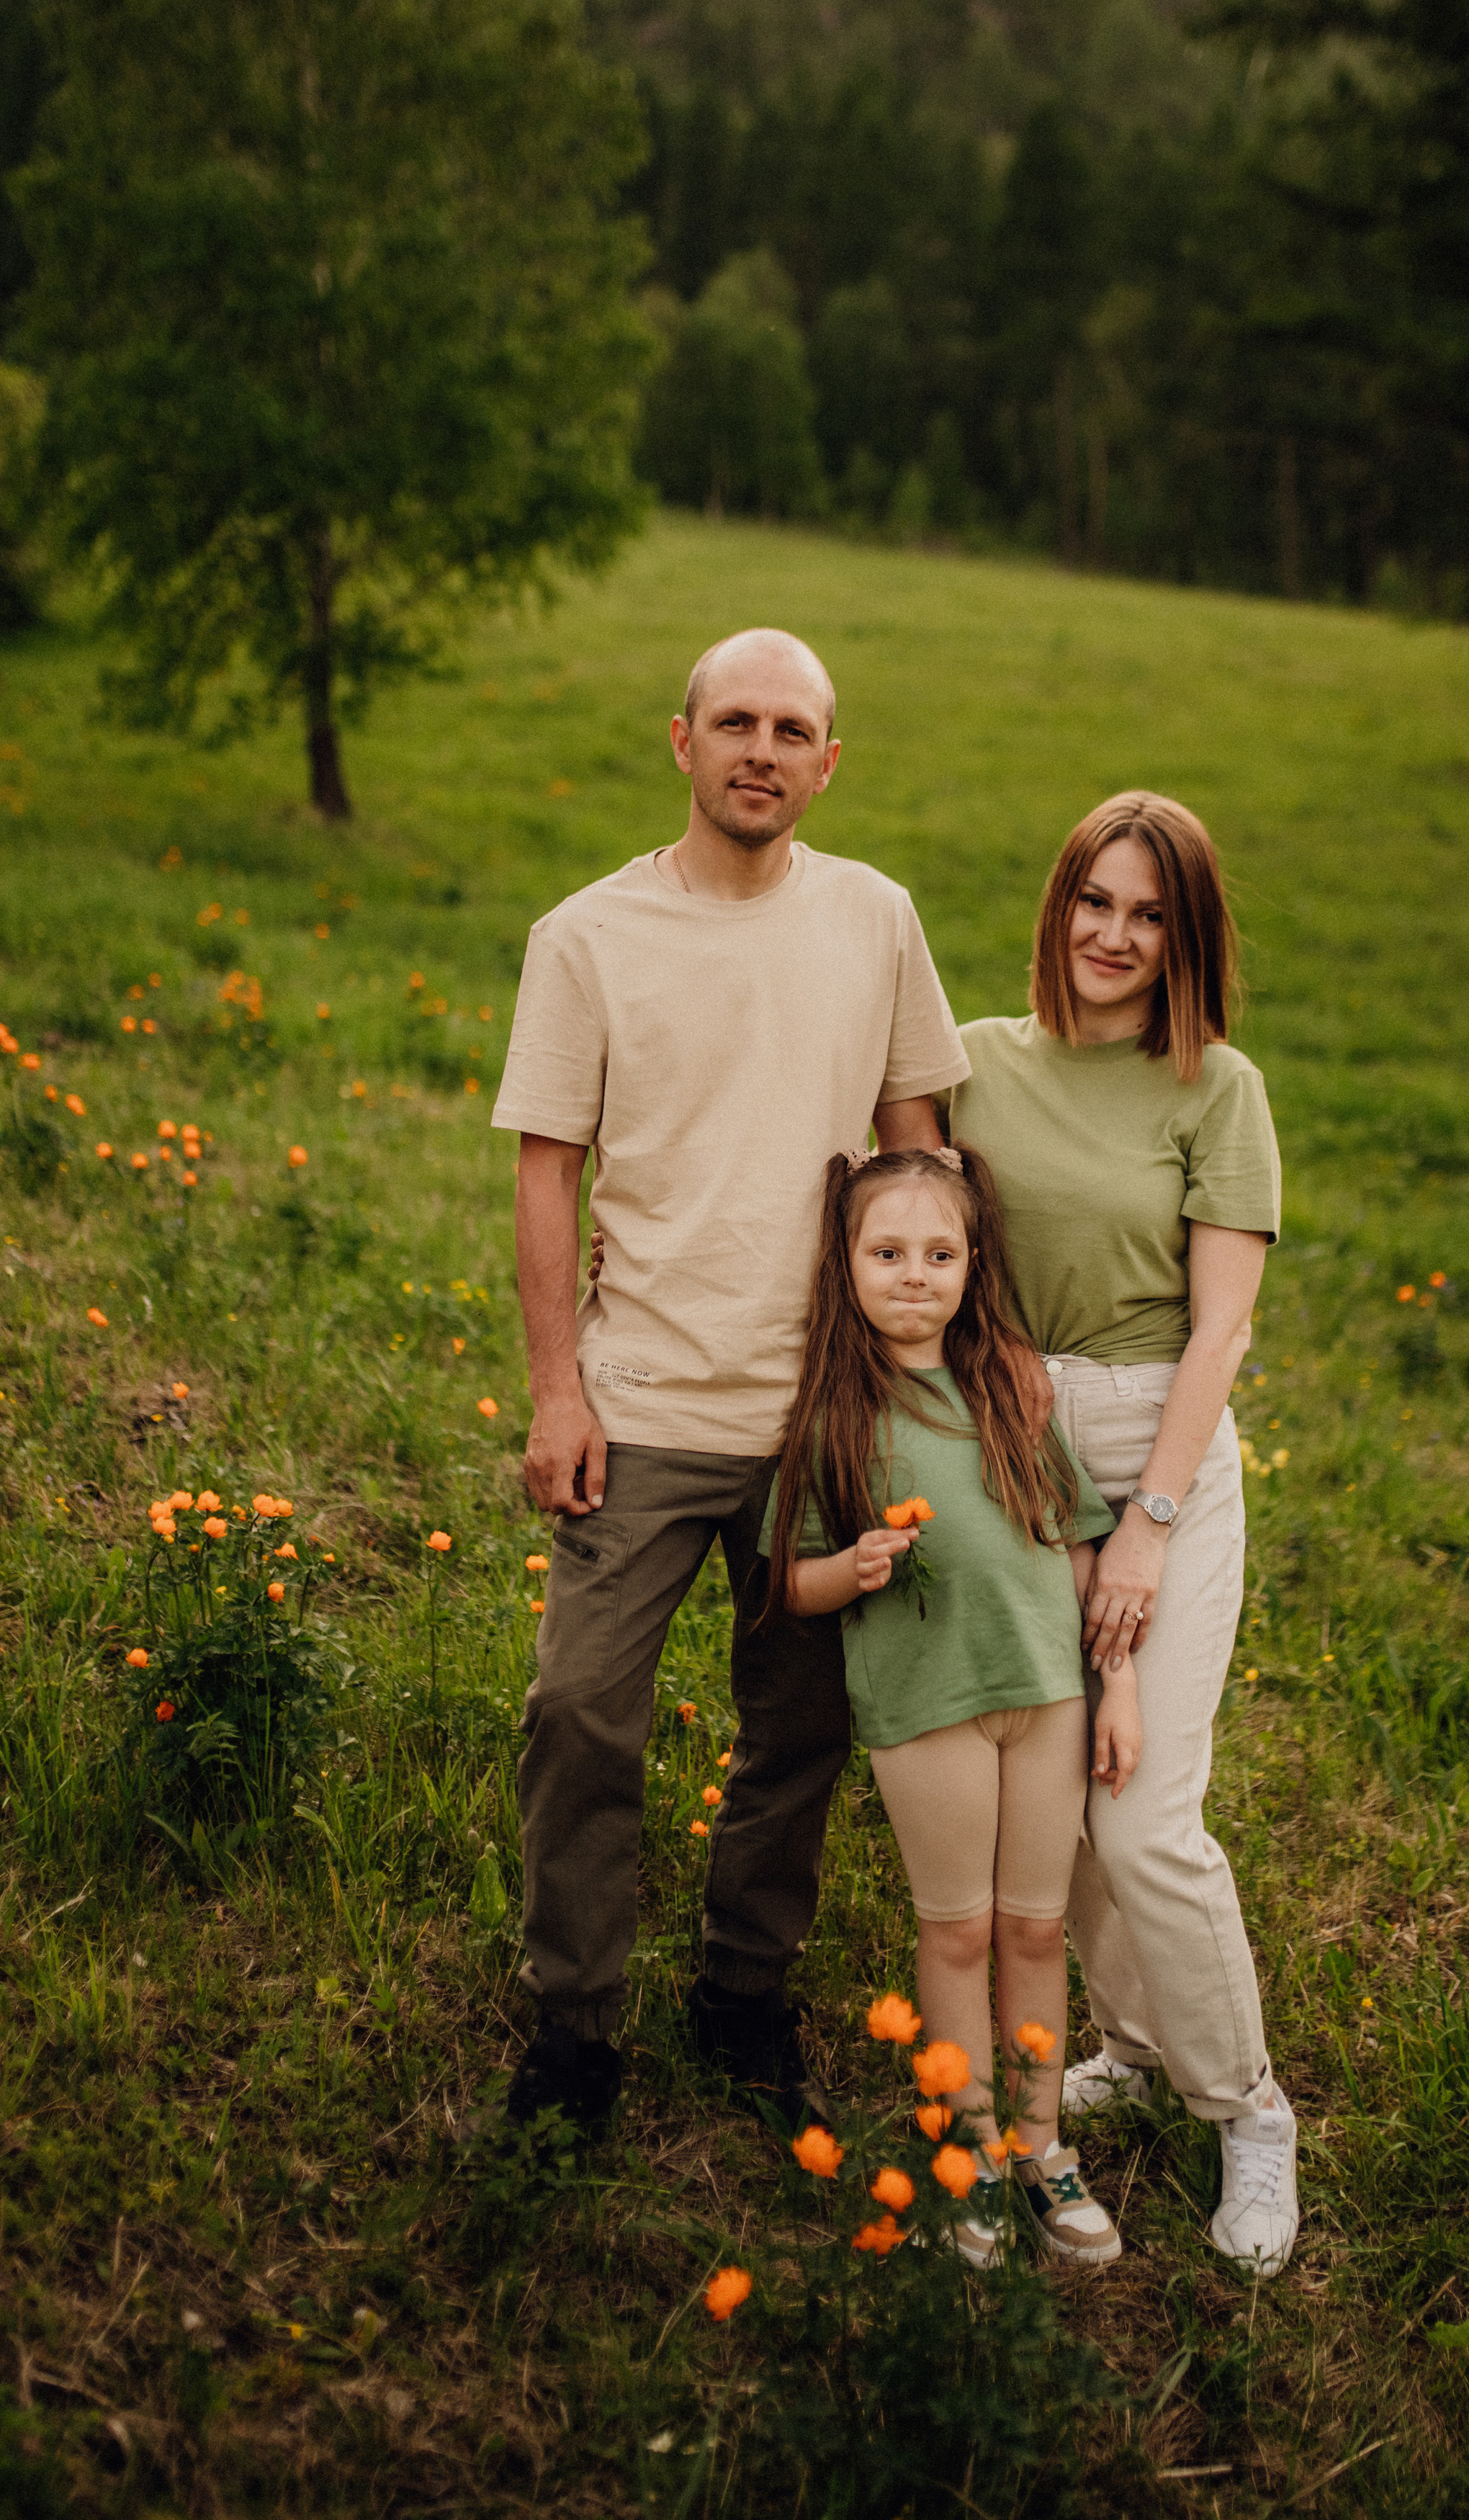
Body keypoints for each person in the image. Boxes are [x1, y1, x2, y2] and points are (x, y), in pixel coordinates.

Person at [492, 626, 971, 2135]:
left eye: (792, 729)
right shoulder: (585, 937)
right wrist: (558, 1389)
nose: (761, 750)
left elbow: (923, 1156)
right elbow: (545, 1175)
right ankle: (574, 2031)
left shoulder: (875, 920)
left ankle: (740, 1996)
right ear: (682, 743)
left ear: (829, 764)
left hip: (820, 1420)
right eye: (735, 722)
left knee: (801, 1728)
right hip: (638, 1407)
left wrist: (928, 1375)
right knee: (581, 1717)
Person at [946, 790, 1300, 2279]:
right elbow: (915, 1234)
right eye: (1093, 900)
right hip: (1009, 1455)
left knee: (1143, 1817)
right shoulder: (970, 1061)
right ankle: (1136, 2048)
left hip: (1161, 1450)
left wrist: (1149, 1525)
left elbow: (1221, 1333)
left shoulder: (1216, 1089)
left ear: (1185, 937)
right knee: (1053, 1806)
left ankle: (1250, 2111)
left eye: (1147, 914)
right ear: (1057, 903)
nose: (1111, 934)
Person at [765, 1142, 1138, 2269]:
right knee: (959, 1927)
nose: (915, 1273)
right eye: (887, 1251)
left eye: (941, 1251)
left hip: (1048, 1693)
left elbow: (1077, 1543)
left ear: (976, 1264)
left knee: (1034, 1924)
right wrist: (857, 1567)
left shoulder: (1012, 1389)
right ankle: (966, 2149)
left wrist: (1113, 1682)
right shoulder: (834, 1410)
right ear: (845, 1262)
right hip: (929, 1704)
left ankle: (1041, 2142)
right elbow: (793, 1579)